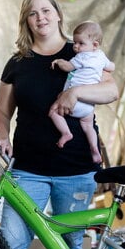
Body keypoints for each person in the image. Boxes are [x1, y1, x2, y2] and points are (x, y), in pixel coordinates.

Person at [0, 0, 118, 249]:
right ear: (26, 20)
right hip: (26, 168)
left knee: (69, 243)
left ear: (58, 13)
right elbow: (1, 113)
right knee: (11, 243)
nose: (40, 18)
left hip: (74, 170)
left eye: (46, 11)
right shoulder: (18, 62)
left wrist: (75, 93)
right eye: (33, 13)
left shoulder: (82, 51)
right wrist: (2, 136)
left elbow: (111, 90)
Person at [49, 20, 115, 164]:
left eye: (80, 43)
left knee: (53, 111)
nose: (76, 46)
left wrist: (59, 61)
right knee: (88, 126)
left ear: (95, 45)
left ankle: (66, 133)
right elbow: (111, 67)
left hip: (75, 103)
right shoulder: (101, 56)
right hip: (89, 105)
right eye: (75, 42)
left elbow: (67, 67)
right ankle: (94, 149)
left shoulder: (81, 57)